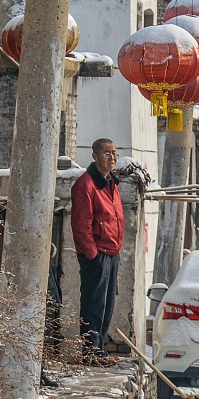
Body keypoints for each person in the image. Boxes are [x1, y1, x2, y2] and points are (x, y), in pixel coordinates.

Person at [71, 138, 125, 366]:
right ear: (94, 156)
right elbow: (82, 224)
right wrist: (92, 255)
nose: (111, 157)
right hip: (97, 254)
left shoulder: (111, 182)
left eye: (114, 153)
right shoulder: (86, 184)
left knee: (107, 304)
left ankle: (99, 349)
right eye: (106, 153)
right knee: (94, 304)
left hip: (112, 251)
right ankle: (90, 351)